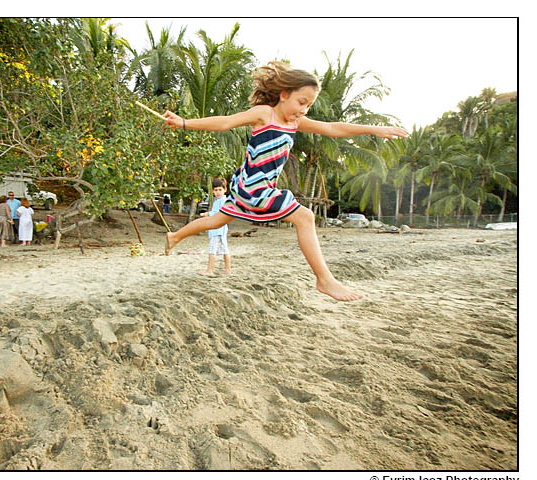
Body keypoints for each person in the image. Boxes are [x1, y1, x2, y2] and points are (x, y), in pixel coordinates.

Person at [162, 61, 408, 301]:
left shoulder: (295, 123)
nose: (303, 109)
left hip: (250, 187)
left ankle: (175, 236)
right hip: (252, 188)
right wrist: (184, 123)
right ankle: (324, 279)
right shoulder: (265, 114)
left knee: (216, 220)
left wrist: (373, 129)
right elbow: (225, 122)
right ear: (283, 94)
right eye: (301, 102)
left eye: (308, 106)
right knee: (306, 217)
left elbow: (333, 127)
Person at [199, 177, 231, 275]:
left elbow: (217, 213)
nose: (217, 192)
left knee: (212, 250)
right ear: (213, 191)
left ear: (225, 189)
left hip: (218, 230)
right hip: (220, 229)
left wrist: (206, 214)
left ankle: (210, 270)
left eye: (220, 190)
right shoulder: (218, 201)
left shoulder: (223, 200)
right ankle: (227, 270)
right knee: (225, 250)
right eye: (216, 190)